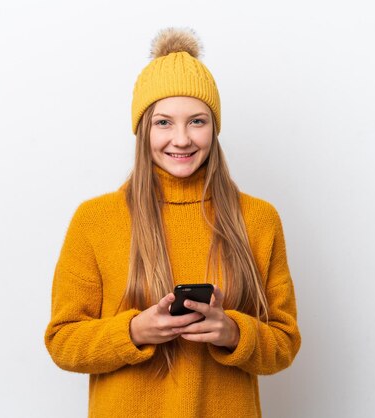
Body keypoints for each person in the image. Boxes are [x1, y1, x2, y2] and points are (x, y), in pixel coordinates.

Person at [44, 27, 301, 418]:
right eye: (164, 122)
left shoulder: (259, 219)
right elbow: (62, 341)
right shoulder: (96, 220)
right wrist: (132, 332)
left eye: (197, 121)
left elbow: (284, 343)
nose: (181, 139)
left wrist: (234, 332)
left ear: (214, 128)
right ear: (142, 128)